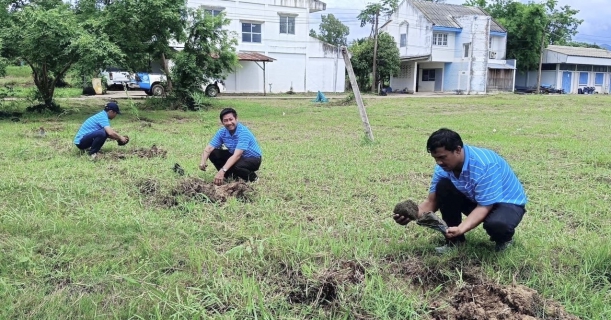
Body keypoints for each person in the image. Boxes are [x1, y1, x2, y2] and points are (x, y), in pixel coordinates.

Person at [394, 128, 527, 253]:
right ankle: (455, 242)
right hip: (477, 199)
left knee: (497, 224)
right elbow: (432, 201)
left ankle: (504, 240)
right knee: (443, 186)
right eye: (435, 158)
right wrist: (412, 214)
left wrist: (461, 228)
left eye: (442, 157)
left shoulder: (485, 165)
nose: (438, 163)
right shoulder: (443, 168)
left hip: (507, 203)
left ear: (458, 150)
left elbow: (484, 206)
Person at [199, 108, 262, 185]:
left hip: (252, 158)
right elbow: (209, 148)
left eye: (231, 119)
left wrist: (222, 170)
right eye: (225, 120)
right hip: (236, 156)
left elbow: (237, 155)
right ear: (222, 122)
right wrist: (202, 162)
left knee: (237, 166)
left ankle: (254, 178)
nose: (229, 122)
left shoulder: (243, 132)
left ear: (236, 119)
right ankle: (230, 177)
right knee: (213, 153)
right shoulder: (222, 132)